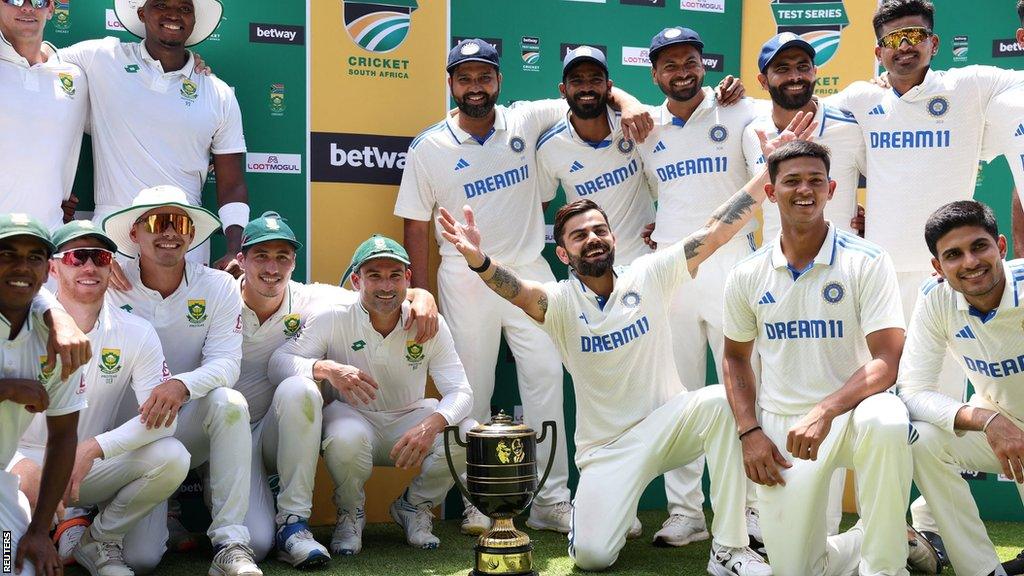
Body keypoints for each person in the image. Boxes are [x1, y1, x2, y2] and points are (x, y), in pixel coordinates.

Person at [434, 113, 822, 575]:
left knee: (721, 401)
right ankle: (601, 519)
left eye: (599, 231)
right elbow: (514, 288)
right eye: (579, 236)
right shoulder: (558, 304)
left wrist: (769, 172)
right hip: (608, 450)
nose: (592, 239)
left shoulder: (649, 274)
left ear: (613, 238)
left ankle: (729, 545)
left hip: (668, 424)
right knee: (594, 558)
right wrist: (478, 260)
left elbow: (717, 230)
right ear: (563, 253)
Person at [394, 37, 654, 534]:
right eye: (465, 77)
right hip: (466, 277)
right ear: (450, 83)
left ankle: (551, 500)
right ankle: (478, 499)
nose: (476, 87)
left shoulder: (525, 118)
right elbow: (415, 225)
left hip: (530, 272)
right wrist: (421, 291)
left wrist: (633, 102)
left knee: (546, 383)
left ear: (498, 81)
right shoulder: (429, 146)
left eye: (484, 76)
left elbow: (593, 95)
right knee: (472, 393)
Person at [827, 0, 1024, 551]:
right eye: (894, 37)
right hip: (881, 280)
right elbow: (789, 113)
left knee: (940, 412)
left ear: (935, 44)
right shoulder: (859, 100)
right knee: (880, 409)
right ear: (878, 49)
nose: (905, 45)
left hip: (953, 281)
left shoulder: (972, 84)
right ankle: (878, 527)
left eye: (917, 35)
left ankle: (934, 531)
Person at [722, 140, 938, 576]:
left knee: (887, 418)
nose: (805, 190)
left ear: (832, 189)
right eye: (792, 181)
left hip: (855, 414)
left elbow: (887, 359)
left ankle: (885, 568)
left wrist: (826, 409)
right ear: (770, 192)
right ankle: (889, 534)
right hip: (784, 426)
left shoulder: (868, 260)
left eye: (815, 181)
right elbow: (735, 358)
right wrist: (750, 431)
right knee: (798, 571)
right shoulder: (746, 273)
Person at [232, 212, 439, 565]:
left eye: (282, 257)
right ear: (241, 260)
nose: (272, 267)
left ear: (294, 262)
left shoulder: (312, 298)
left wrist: (421, 295)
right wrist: (325, 367)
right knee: (256, 545)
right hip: (227, 436)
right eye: (261, 256)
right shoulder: (216, 297)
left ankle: (293, 524)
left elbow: (377, 293)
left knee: (300, 389)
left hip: (274, 432)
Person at [634, 25, 766, 548]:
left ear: (704, 63)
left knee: (744, 391)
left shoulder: (741, 110)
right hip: (674, 275)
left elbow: (763, 185)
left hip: (733, 269)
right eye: (669, 65)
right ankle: (686, 512)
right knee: (678, 396)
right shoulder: (645, 128)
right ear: (654, 74)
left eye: (689, 61)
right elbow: (653, 195)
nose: (681, 72)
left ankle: (752, 511)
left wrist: (712, 237)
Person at [268, 235, 474, 553]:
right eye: (374, 275)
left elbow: (460, 390)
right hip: (354, 418)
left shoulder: (430, 323)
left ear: (408, 278)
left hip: (409, 420)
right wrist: (327, 369)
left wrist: (431, 425)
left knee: (467, 434)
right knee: (344, 437)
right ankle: (351, 513)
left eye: (394, 275)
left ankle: (415, 506)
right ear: (356, 279)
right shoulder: (333, 314)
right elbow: (279, 362)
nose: (386, 286)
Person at [11, 220, 187, 576]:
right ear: (54, 268)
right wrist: (17, 466)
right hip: (18, 465)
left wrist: (92, 448)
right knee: (8, 563)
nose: (90, 267)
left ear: (110, 266)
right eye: (77, 257)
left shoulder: (136, 331)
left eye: (100, 257)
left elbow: (162, 422)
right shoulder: (18, 325)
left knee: (171, 459)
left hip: (84, 466)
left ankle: (97, 540)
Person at [101, 186, 260, 576]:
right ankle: (88, 530)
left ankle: (230, 542)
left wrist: (180, 386)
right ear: (135, 233)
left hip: (185, 422)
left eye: (181, 222)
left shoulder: (219, 286)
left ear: (191, 234)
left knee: (230, 402)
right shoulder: (104, 283)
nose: (170, 231)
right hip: (129, 437)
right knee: (140, 559)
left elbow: (226, 363)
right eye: (157, 222)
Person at [59, 0, 248, 269]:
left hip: (184, 242)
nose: (173, 14)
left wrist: (234, 251)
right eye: (161, 4)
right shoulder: (103, 57)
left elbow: (232, 185)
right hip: (113, 243)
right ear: (141, 13)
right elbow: (40, 60)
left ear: (194, 21)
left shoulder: (218, 93)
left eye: (184, 8)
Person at [898, 200, 1024, 576]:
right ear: (938, 267)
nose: (969, 262)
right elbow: (912, 390)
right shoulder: (935, 299)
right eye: (953, 255)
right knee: (919, 436)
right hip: (1005, 426)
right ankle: (982, 569)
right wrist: (989, 421)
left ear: (1001, 247)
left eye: (979, 247)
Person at [0, 212, 85, 576]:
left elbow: (64, 436)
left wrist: (39, 528)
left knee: (11, 566)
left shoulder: (61, 341)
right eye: (7, 254)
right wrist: (8, 389)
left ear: (48, 269)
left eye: (34, 257)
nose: (21, 266)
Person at [536, 46, 655, 265]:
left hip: (644, 263)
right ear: (563, 89)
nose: (586, 88)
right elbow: (539, 208)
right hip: (589, 271)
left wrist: (666, 221)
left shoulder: (634, 123)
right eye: (577, 81)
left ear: (609, 87)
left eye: (595, 80)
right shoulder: (550, 147)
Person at [742, 33, 865, 241]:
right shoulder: (752, 134)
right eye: (782, 69)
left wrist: (874, 221)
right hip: (777, 264)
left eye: (803, 67)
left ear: (815, 72)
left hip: (842, 265)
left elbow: (887, 180)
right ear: (763, 81)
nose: (795, 77)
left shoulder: (850, 127)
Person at [0, 0, 87, 232]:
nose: (27, 8)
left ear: (50, 9)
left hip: (48, 241)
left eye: (38, 1)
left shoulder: (75, 76)